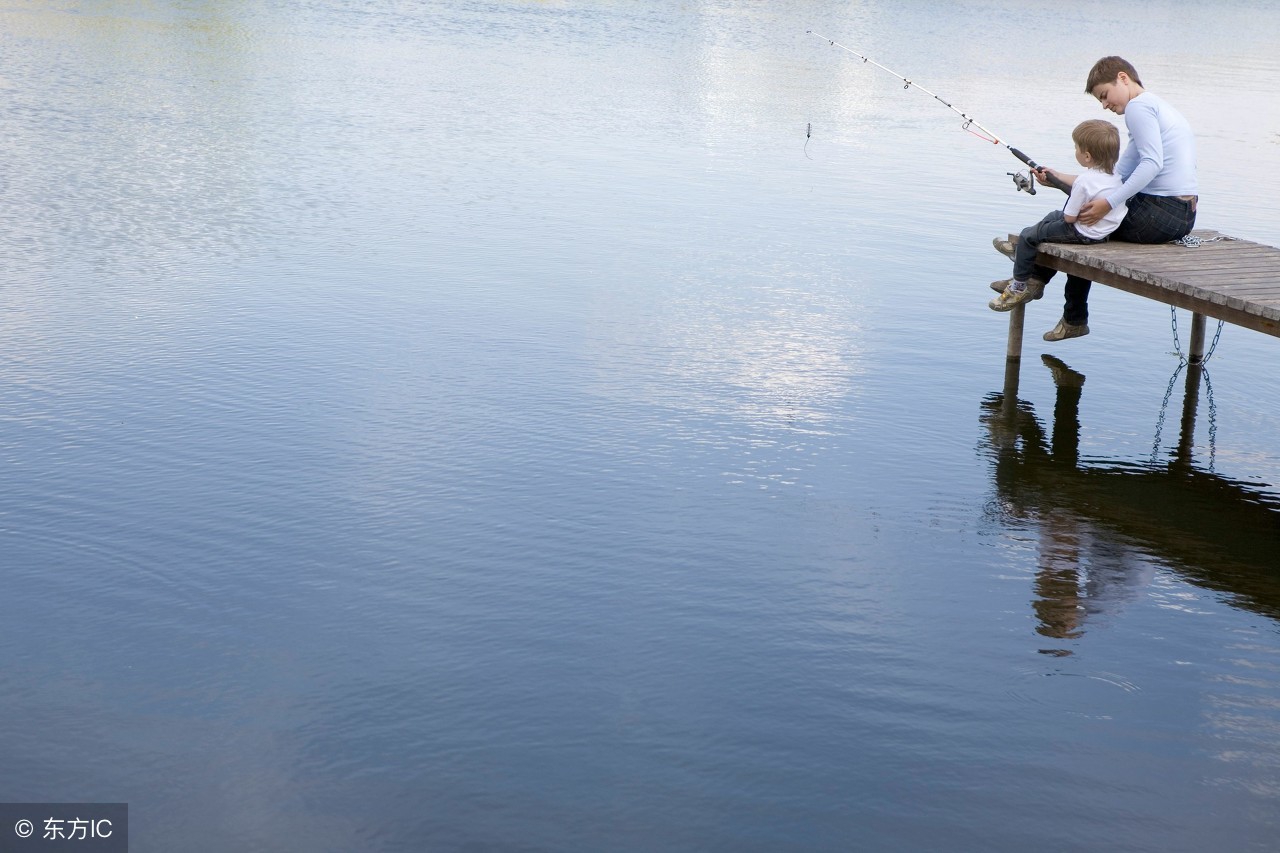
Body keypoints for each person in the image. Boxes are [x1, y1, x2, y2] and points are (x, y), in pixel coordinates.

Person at [1028, 56, 1198, 341]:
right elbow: (1112, 178)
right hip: (1181, 215)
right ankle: (1042, 286)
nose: (1104, 105)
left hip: (1159, 214)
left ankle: (1040, 285)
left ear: (1123, 78)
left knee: (1083, 227)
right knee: (1086, 220)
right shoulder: (1156, 106)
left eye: (1104, 95)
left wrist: (1108, 204)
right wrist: (1058, 178)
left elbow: (1151, 164)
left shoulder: (1138, 108)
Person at [988, 119, 1127, 313]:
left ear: (1087, 156)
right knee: (1052, 215)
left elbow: (1069, 218)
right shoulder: (1116, 177)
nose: (1075, 151)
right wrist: (1055, 178)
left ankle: (1018, 286)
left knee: (1028, 235)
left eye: (1076, 148)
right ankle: (1021, 254)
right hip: (1102, 231)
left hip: (1082, 232)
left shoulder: (1084, 181)